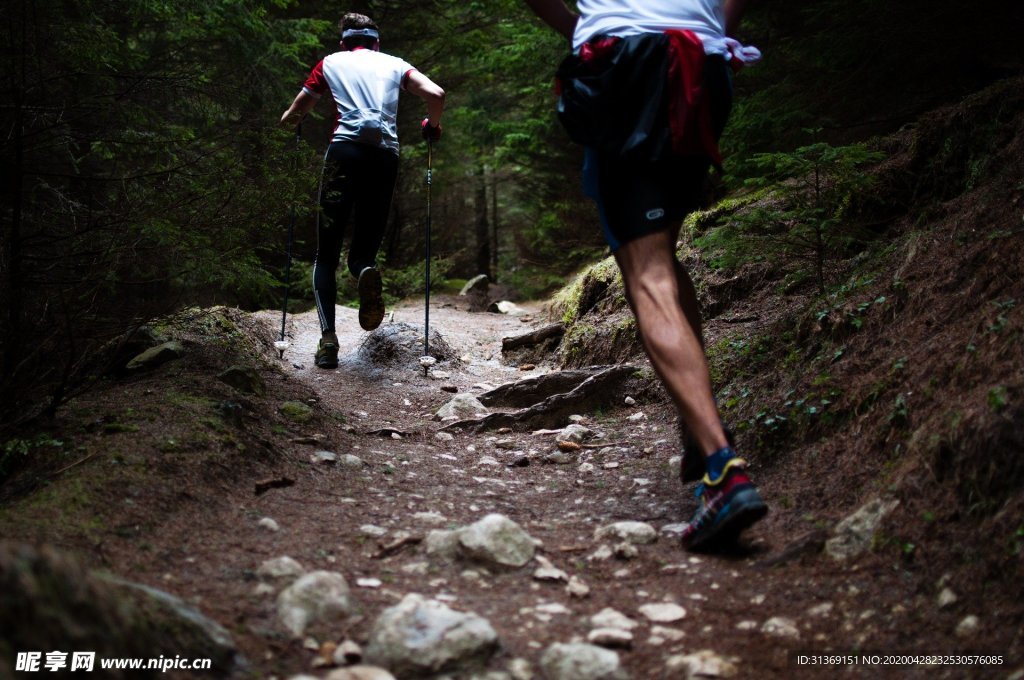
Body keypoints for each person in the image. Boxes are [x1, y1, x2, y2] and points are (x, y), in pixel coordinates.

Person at [523, 0, 767, 551]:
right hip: (702, 65)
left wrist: (581, 27)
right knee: (664, 253)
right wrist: (715, 38)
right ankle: (700, 433)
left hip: (622, 62)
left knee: (648, 273)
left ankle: (723, 471)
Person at [280, 13, 445, 369]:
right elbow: (436, 93)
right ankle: (364, 271)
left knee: (325, 254)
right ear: (377, 43)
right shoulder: (395, 64)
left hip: (344, 153)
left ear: (344, 43)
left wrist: (291, 123)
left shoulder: (330, 63)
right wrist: (432, 125)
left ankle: (327, 342)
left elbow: (296, 112)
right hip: (384, 156)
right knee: (363, 252)